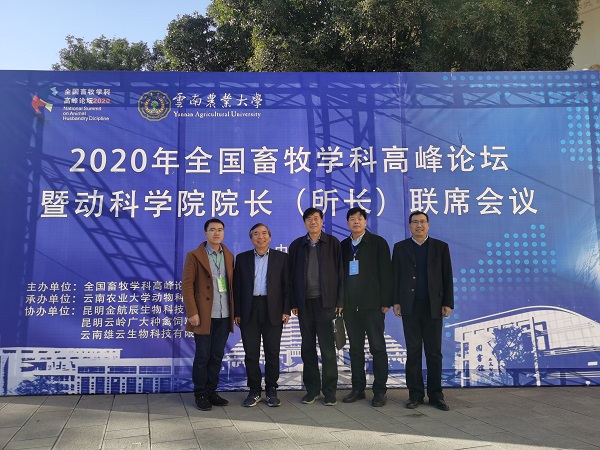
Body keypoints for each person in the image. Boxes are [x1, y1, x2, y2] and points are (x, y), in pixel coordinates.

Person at [392, 211, 454, 411]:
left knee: (434, 353)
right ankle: (415, 394)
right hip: (410, 307)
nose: (419, 225)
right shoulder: (400, 248)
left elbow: (447, 276)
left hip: (433, 307)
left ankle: (436, 395)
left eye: (422, 222)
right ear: (409, 226)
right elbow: (396, 276)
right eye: (415, 222)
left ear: (428, 225)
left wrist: (448, 303)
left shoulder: (440, 247)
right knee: (413, 352)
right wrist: (396, 301)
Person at [289, 207, 344, 406]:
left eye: (316, 218)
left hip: (326, 303)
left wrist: (339, 301)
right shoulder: (297, 245)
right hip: (304, 305)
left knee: (328, 349)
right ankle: (312, 390)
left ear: (322, 221)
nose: (313, 222)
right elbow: (290, 276)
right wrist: (293, 302)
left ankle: (330, 391)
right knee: (308, 348)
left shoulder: (333, 243)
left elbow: (341, 273)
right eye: (309, 219)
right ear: (304, 223)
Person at [233, 223, 291, 407]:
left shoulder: (282, 258)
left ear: (270, 237)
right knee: (251, 353)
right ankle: (254, 390)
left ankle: (272, 389)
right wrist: (237, 312)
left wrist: (286, 310)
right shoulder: (242, 259)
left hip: (273, 309)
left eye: (264, 233)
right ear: (251, 239)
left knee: (272, 352)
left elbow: (287, 286)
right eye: (256, 234)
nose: (261, 237)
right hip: (249, 309)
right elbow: (237, 287)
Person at [340, 207, 392, 407]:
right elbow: (338, 276)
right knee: (355, 350)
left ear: (366, 222)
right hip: (350, 307)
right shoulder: (343, 246)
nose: (356, 222)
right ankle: (358, 389)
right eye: (352, 219)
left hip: (373, 306)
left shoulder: (378, 243)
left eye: (360, 218)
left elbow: (386, 272)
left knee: (377, 348)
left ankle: (380, 391)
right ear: (347, 223)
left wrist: (385, 301)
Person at [182, 218, 234, 411]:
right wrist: (192, 312)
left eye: (220, 229)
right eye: (212, 230)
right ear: (205, 233)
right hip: (203, 315)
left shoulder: (229, 255)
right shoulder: (194, 256)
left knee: (217, 356)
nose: (216, 233)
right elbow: (187, 286)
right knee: (202, 356)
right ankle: (201, 394)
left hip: (224, 314)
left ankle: (212, 391)